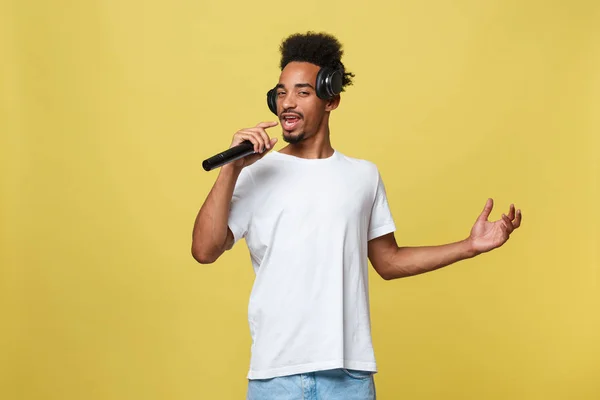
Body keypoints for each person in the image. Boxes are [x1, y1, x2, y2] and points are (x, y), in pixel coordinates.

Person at [191, 31, 522, 400]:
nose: (287, 102)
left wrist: (470, 246)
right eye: (281, 92)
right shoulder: (253, 173)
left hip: (348, 379)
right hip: (275, 377)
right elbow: (204, 250)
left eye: (302, 92)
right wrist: (231, 168)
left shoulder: (363, 176)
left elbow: (389, 261)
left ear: (331, 99)